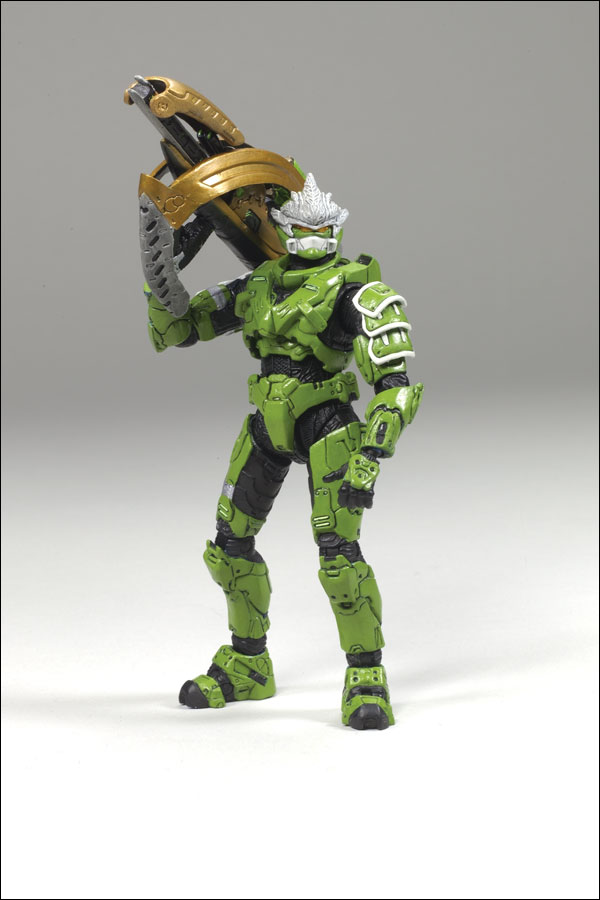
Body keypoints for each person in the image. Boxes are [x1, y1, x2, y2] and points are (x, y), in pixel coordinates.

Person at [145, 173, 423, 730]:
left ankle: (366, 675)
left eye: (325, 229)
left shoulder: (356, 291)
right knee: (229, 545)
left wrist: (371, 452)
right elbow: (180, 329)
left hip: (327, 423)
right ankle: (249, 664)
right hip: (267, 424)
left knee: (338, 554)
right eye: (304, 228)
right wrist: (161, 273)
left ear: (337, 229)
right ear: (284, 227)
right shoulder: (259, 285)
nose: (314, 237)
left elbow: (395, 385)